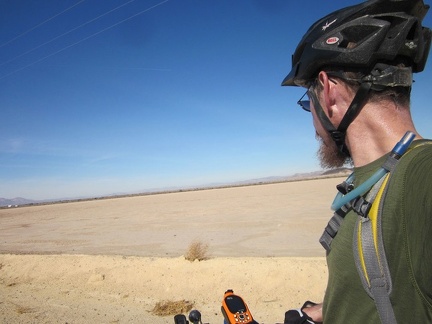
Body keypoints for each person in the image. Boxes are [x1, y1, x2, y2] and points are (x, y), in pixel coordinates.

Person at [281, 0, 432, 323]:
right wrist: (330, 310)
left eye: (309, 104)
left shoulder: (423, 176)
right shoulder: (370, 181)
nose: (313, 124)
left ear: (328, 92)